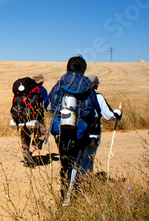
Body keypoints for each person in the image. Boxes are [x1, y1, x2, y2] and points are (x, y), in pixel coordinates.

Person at [48, 56, 101, 199]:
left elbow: (50, 103)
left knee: (65, 164)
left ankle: (64, 196)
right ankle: (72, 198)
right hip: (80, 130)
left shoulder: (60, 82)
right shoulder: (88, 85)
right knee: (76, 164)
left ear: (67, 67)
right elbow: (94, 110)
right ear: (84, 70)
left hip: (59, 129)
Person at [79, 74, 123, 174]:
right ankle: (86, 183)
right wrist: (119, 111)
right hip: (93, 134)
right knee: (89, 159)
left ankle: (76, 182)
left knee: (79, 159)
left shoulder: (79, 96)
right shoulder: (98, 97)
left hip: (79, 133)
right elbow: (110, 116)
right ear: (96, 85)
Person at [20, 74, 48, 167]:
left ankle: (25, 157)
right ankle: (30, 152)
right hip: (37, 117)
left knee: (25, 137)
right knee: (41, 134)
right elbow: (46, 103)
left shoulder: (24, 89)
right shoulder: (42, 90)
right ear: (41, 82)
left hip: (24, 117)